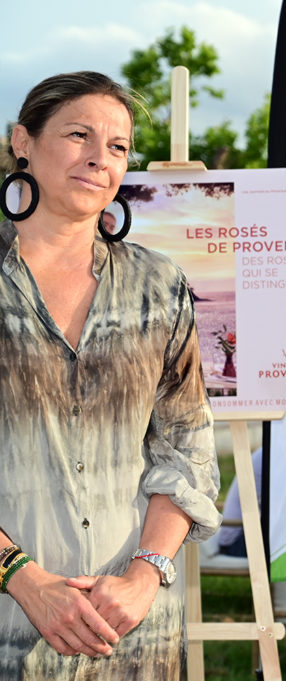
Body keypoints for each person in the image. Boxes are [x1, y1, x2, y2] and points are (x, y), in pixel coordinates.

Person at [0, 72, 220, 678]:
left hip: (132, 633)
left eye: (119, 146)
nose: (101, 158)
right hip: (8, 629)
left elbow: (187, 450)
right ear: (23, 141)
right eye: (79, 135)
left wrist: (144, 576)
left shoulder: (160, 287)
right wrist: (24, 578)